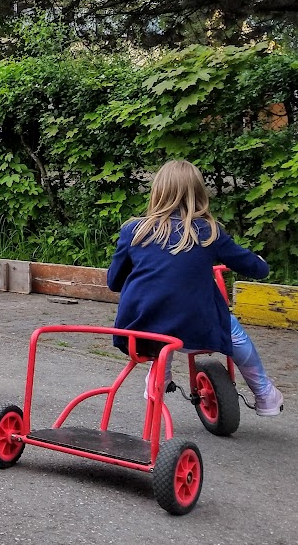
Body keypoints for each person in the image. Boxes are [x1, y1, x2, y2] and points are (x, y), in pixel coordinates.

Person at [107, 159, 283, 417]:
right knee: (234, 333)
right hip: (196, 329)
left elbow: (114, 282)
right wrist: (261, 264)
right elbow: (252, 266)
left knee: (161, 314)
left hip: (138, 331)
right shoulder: (208, 231)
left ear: (157, 191)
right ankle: (265, 395)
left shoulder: (134, 231)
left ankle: (160, 373)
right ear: (199, 193)